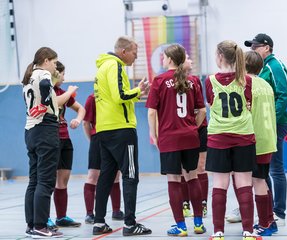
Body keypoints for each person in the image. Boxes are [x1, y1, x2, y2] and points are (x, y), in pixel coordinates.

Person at [92, 36, 152, 236]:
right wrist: (139, 91)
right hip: (122, 129)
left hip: (104, 130)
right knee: (130, 175)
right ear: (123, 51)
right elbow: (120, 96)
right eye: (135, 52)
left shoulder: (101, 68)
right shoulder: (115, 66)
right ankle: (130, 224)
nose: (136, 57)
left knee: (106, 177)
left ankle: (98, 221)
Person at [146, 44, 207, 237]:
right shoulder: (193, 80)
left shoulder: (159, 80)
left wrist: (154, 135)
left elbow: (151, 112)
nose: (162, 60)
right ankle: (198, 223)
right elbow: (203, 111)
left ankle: (180, 226)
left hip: (169, 138)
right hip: (190, 137)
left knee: (174, 180)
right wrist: (192, 128)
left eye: (163, 57)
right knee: (192, 177)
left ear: (170, 60)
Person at [205, 40, 258, 240]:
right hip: (243, 136)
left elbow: (211, 104)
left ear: (219, 57)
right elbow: (249, 105)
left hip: (219, 137)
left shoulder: (210, 81)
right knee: (244, 183)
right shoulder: (246, 80)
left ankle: (218, 232)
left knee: (220, 184)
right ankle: (248, 231)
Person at [22, 47, 73, 238]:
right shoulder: (42, 73)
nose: (54, 66)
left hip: (31, 131)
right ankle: (41, 226)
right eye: (53, 62)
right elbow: (45, 85)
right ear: (45, 60)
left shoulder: (27, 78)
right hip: (46, 129)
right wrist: (45, 102)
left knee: (34, 180)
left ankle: (32, 224)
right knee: (45, 181)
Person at [244, 33, 287, 225]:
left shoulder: (274, 65)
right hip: (263, 125)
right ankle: (267, 210)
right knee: (263, 170)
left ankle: (278, 211)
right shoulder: (261, 70)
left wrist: (271, 120)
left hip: (275, 124)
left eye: (256, 47)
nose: (253, 50)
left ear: (267, 47)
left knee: (276, 169)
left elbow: (283, 95)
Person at [48, 61, 85, 228]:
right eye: (63, 74)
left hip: (65, 139)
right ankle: (44, 217)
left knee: (63, 181)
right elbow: (56, 101)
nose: (64, 77)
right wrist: (70, 92)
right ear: (55, 74)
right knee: (47, 181)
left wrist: (77, 119)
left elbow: (81, 109)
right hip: (51, 139)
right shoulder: (47, 91)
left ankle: (61, 217)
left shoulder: (64, 92)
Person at [82, 93, 124, 224]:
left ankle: (116, 210)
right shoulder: (92, 98)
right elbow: (85, 123)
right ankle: (89, 213)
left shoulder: (114, 96)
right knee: (93, 176)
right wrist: (92, 140)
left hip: (112, 138)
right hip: (100, 137)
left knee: (116, 175)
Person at [180, 54, 209, 218]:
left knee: (200, 167)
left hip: (198, 128)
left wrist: (195, 125)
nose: (191, 59)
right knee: (183, 169)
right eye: (187, 57)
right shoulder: (170, 82)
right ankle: (185, 204)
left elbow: (201, 108)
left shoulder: (195, 80)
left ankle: (202, 204)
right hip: (183, 129)